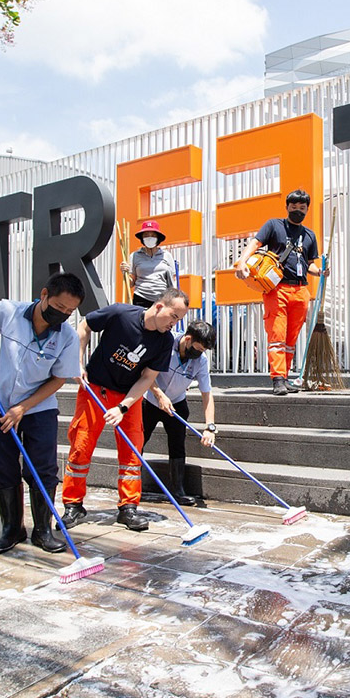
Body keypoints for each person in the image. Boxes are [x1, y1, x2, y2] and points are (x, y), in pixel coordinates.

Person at [0, 272, 85, 556]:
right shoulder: (8, 311)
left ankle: (43, 530)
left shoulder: (67, 336)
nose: (62, 315)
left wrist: (23, 407)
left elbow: (58, 379)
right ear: (44, 295)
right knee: (2, 464)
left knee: (43, 468)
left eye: (69, 312)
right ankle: (12, 529)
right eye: (59, 307)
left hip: (39, 408)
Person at [62, 288, 189, 532]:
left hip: (129, 395)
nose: (174, 324)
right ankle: (73, 504)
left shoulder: (164, 341)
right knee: (81, 445)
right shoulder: (121, 314)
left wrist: (123, 406)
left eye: (178, 320)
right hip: (96, 388)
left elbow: (147, 378)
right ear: (159, 306)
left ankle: (128, 507)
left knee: (132, 452)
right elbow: (85, 326)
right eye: (174, 316)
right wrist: (77, 362)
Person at [234, 189, 325, 396]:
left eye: (302, 208)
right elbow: (255, 243)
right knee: (277, 335)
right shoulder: (274, 225)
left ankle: (284, 377)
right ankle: (277, 379)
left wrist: (320, 272)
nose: (297, 211)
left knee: (291, 339)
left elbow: (309, 264)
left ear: (307, 210)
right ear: (287, 207)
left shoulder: (309, 235)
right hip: (277, 289)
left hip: (301, 290)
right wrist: (242, 261)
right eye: (294, 207)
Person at [140, 319, 218, 508]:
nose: (199, 354)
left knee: (177, 446)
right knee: (138, 442)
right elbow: (144, 372)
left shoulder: (201, 361)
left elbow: (207, 394)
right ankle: (132, 487)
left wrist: (210, 427)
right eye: (198, 349)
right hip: (150, 401)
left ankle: (177, 490)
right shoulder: (165, 343)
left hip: (176, 404)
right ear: (188, 339)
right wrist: (159, 395)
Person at [120, 220, 177, 308]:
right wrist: (125, 272)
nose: (149, 238)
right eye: (146, 235)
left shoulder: (167, 255)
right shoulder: (135, 256)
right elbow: (131, 284)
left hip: (162, 298)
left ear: (158, 238)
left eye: (153, 235)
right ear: (142, 238)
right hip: (141, 298)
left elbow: (172, 280)